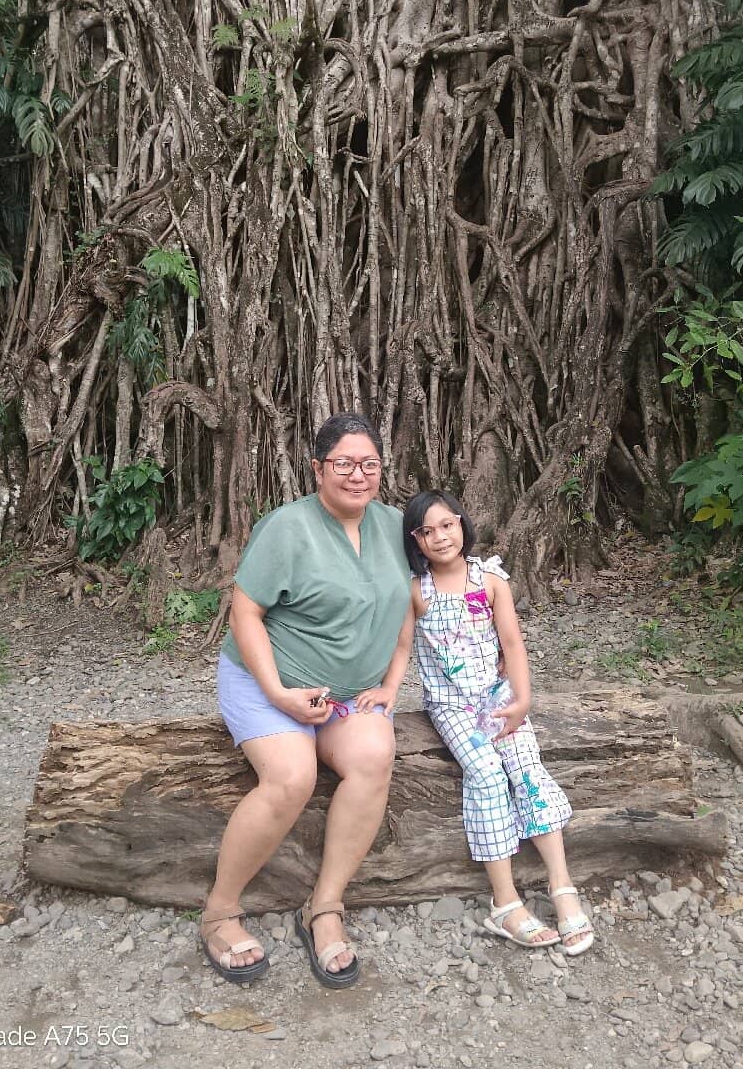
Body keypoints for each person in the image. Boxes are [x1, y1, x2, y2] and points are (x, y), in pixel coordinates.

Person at [200, 412, 413, 989]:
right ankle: (220, 911)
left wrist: (393, 683)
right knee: (291, 776)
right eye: (343, 463)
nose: (357, 474)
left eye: (368, 464)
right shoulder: (286, 527)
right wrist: (278, 693)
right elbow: (245, 611)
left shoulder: (398, 526)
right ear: (318, 468)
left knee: (375, 756)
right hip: (269, 684)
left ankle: (323, 907)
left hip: (348, 696)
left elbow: (410, 605)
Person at [388, 488, 595, 955]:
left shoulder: (491, 580)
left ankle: (562, 887)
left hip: (498, 697)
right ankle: (505, 902)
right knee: (484, 772)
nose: (440, 537)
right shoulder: (416, 591)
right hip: (452, 708)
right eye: (427, 530)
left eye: (448, 524)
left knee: (525, 764)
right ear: (415, 540)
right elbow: (402, 650)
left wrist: (522, 700)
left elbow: (513, 644)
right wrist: (385, 693)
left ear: (462, 524)